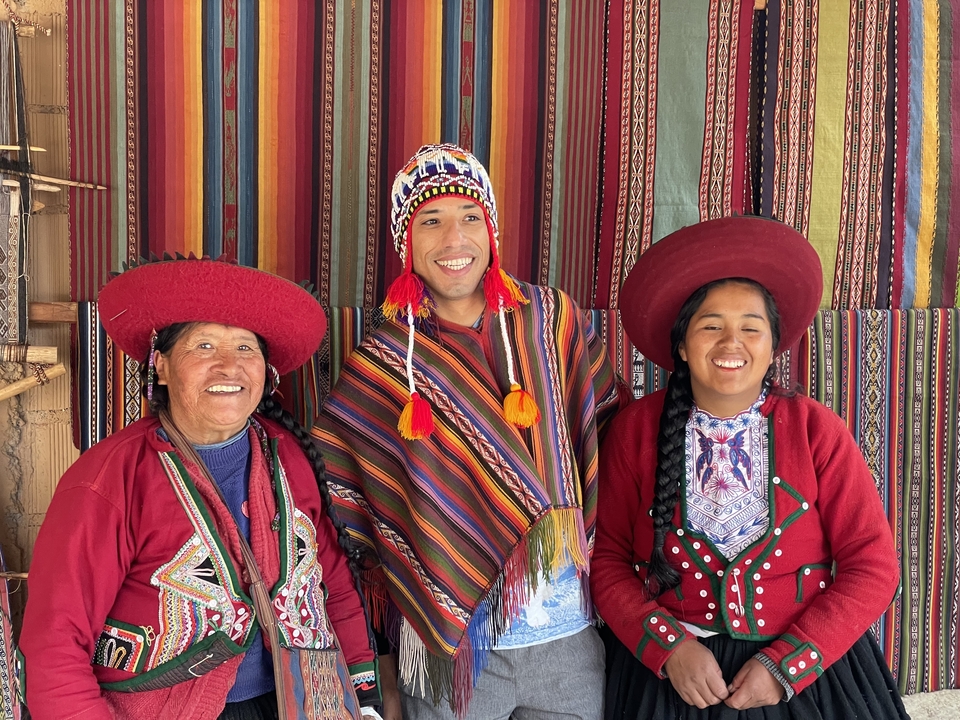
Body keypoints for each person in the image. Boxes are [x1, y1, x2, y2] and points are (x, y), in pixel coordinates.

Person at [314, 143, 631, 719]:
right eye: (430, 221)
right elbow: (344, 493)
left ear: (491, 228)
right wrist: (378, 657)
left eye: (469, 217)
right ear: (405, 241)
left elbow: (610, 433)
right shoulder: (383, 363)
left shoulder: (551, 319)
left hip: (566, 635)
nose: (454, 240)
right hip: (447, 650)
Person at [20, 257, 382, 719]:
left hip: (305, 701)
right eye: (205, 346)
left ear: (266, 371)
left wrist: (363, 695)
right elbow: (54, 642)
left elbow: (332, 582)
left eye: (246, 349)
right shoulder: (110, 478)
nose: (229, 366)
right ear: (163, 367)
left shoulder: (288, 455)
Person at [590, 216, 909, 719]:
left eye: (750, 328)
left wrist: (788, 665)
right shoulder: (636, 432)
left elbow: (873, 565)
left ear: (773, 343)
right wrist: (669, 648)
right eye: (711, 325)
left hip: (807, 683)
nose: (730, 342)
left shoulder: (815, 431)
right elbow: (605, 560)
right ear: (682, 344)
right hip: (675, 681)